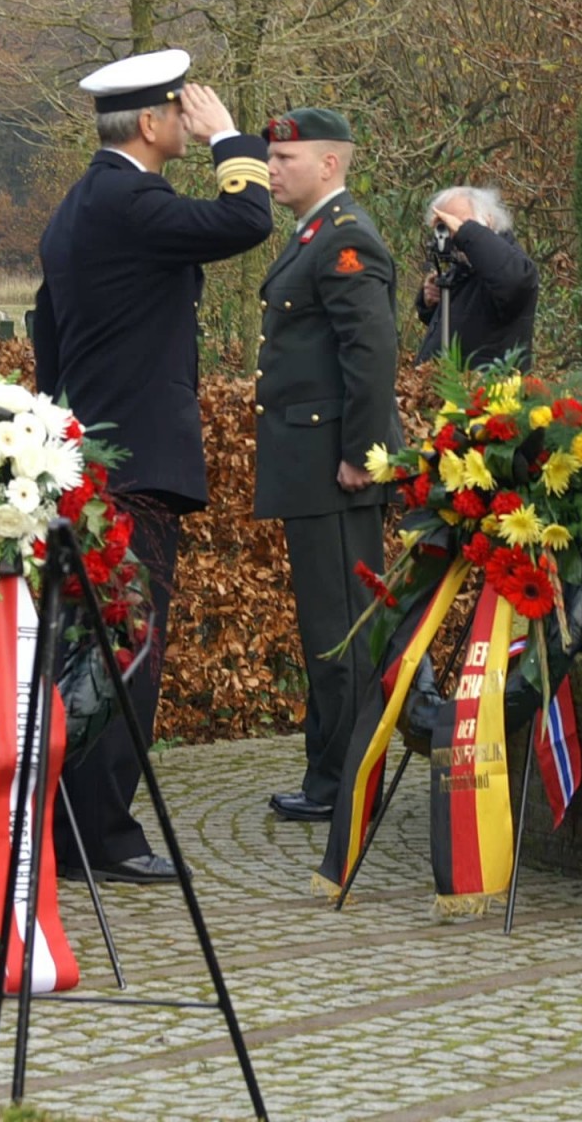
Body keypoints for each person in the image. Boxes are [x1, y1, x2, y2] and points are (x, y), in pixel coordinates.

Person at [33, 48, 272, 882]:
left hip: (90, 463)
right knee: (127, 654)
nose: (188, 118)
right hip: (132, 468)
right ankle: (100, 836)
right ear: (150, 123)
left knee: (86, 648)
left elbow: (45, 336)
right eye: (182, 110)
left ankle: (70, 828)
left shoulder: (76, 207)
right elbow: (247, 220)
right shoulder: (130, 199)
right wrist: (228, 139)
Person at [252, 108, 400, 822]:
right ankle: (328, 775)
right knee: (327, 628)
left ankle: (348, 785)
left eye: (286, 157)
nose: (274, 168)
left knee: (342, 630)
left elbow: (370, 357)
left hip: (335, 469)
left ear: (330, 165)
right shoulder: (314, 236)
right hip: (311, 463)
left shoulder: (345, 240)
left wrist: (361, 456)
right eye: (271, 158)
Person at [413, 185, 538, 368]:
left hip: (486, 392)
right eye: (445, 226)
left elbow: (516, 282)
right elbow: (464, 320)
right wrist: (430, 302)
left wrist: (465, 232)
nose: (453, 234)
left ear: (488, 220)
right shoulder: (465, 267)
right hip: (445, 390)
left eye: (459, 223)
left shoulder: (509, 265)